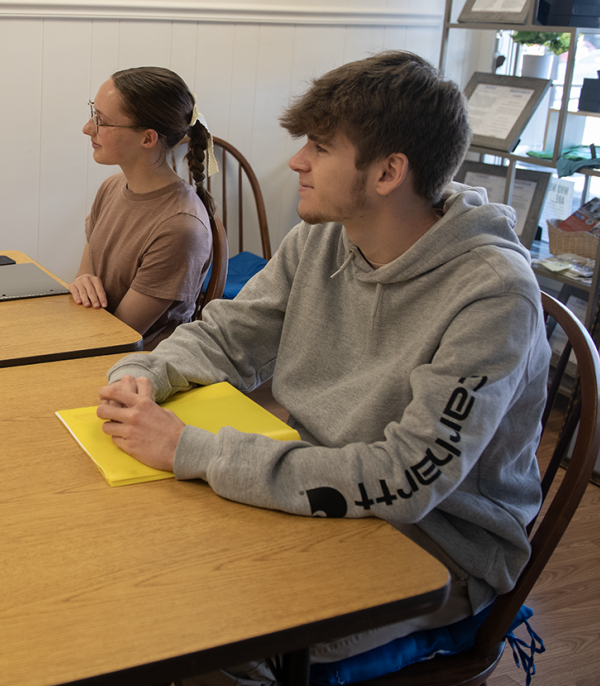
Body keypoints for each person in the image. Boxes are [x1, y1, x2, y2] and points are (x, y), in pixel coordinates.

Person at [94, 51, 549, 681]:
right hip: (319, 485)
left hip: (437, 548)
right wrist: (145, 373)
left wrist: (189, 450)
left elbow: (406, 480)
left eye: (321, 146)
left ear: (389, 172)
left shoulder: (494, 295)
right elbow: (230, 334)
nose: (297, 161)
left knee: (202, 634)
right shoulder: (324, 237)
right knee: (139, 573)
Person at [69, 67, 215, 349]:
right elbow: (84, 279)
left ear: (148, 138)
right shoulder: (111, 188)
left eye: (101, 121)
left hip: (135, 370)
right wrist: (83, 282)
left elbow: (118, 336)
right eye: (92, 113)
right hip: (91, 340)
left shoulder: (181, 228)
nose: (87, 128)